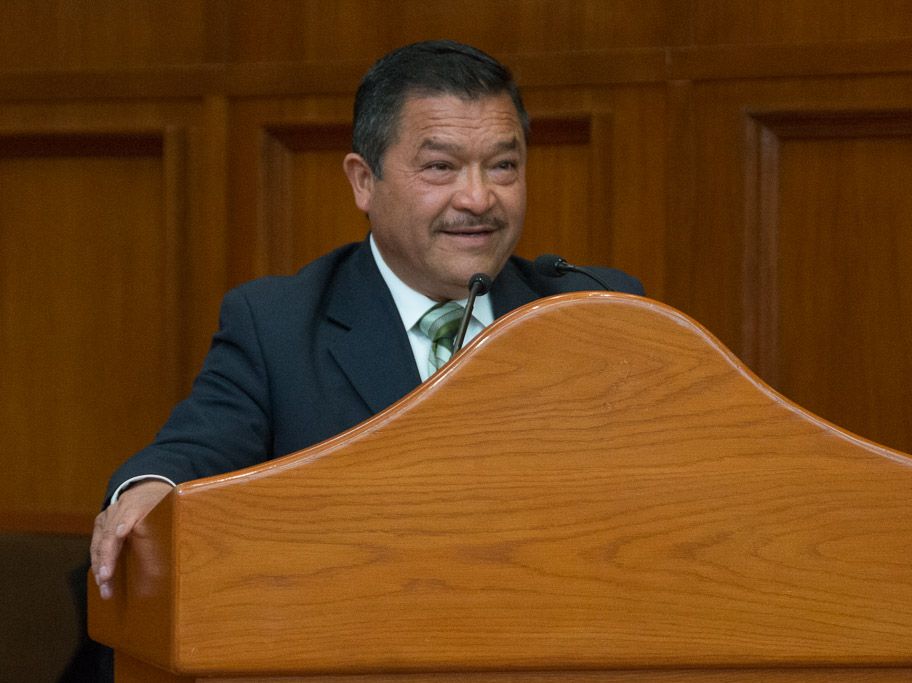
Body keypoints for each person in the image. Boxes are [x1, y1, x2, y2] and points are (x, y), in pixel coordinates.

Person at [90, 39, 642, 601]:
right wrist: (148, 490)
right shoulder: (279, 326)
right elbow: (187, 455)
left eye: (503, 166)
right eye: (440, 167)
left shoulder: (594, 309)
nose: (478, 199)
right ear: (363, 181)